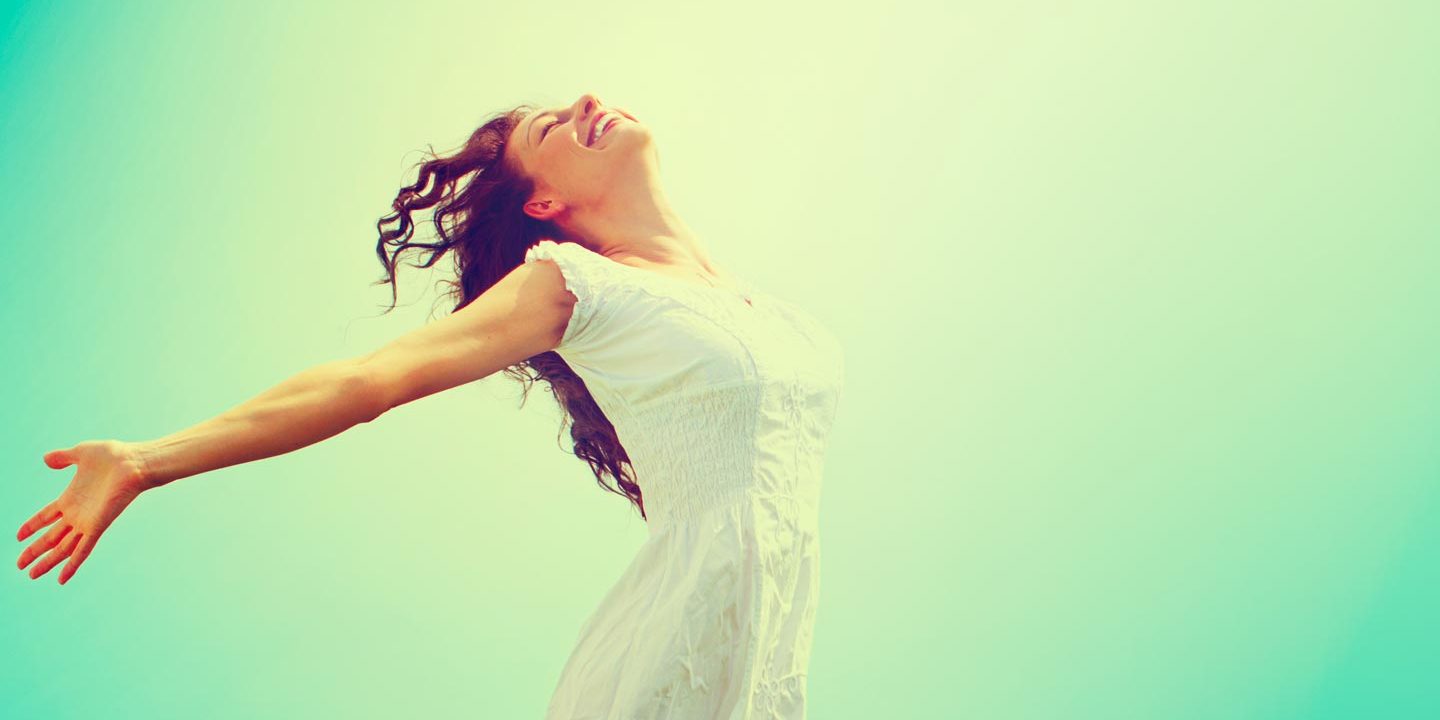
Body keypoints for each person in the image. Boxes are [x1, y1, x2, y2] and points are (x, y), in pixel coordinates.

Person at [15, 92, 846, 718]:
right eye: (552, 128)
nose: (587, 102)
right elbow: (367, 381)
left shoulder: (775, 313)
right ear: (543, 205)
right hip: (668, 654)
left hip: (767, 661)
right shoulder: (574, 283)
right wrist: (145, 461)